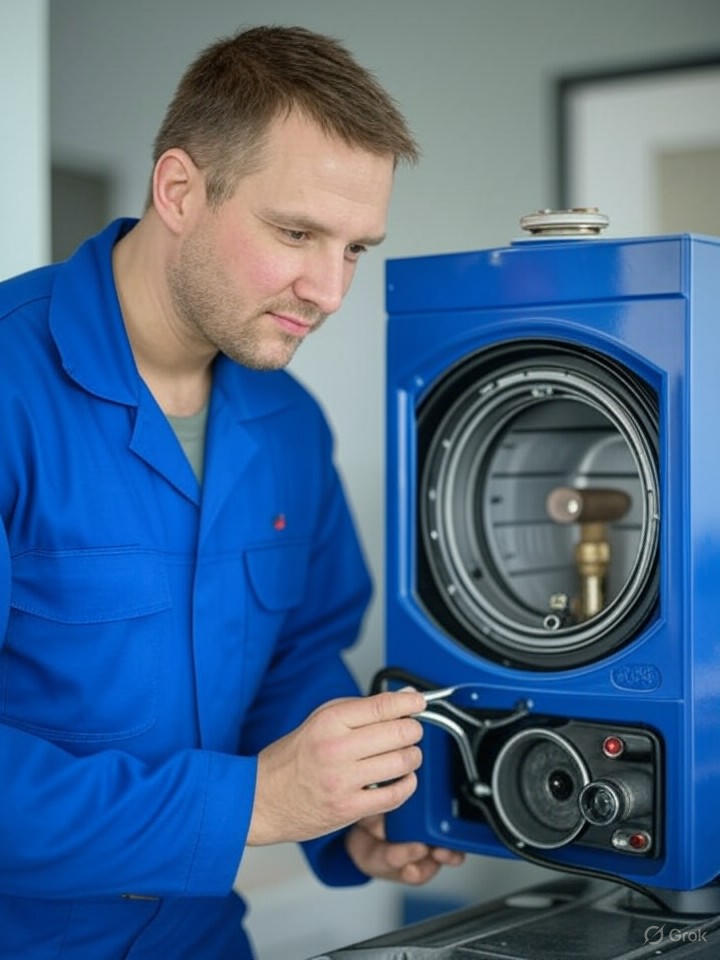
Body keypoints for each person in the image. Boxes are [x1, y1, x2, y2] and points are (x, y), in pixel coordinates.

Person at [0, 24, 464, 959]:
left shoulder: (288, 423)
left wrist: (345, 815)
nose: (329, 289)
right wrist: (251, 803)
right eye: (296, 233)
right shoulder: (11, 390)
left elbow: (292, 660)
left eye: (356, 249)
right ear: (180, 190)